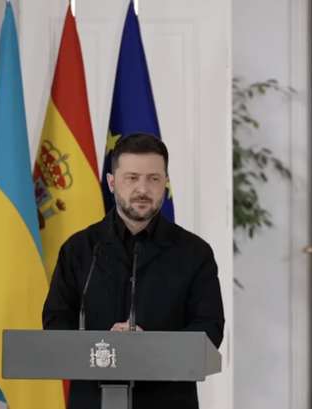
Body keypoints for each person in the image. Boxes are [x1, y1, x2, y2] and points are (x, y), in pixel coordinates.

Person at [43, 133, 224, 409]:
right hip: (91, 401)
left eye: (154, 179)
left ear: (165, 183)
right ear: (112, 182)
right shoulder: (79, 249)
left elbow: (210, 328)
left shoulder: (195, 253)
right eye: (132, 178)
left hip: (168, 401)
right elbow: (56, 321)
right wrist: (104, 344)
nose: (143, 189)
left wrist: (149, 346)